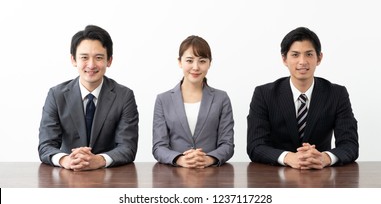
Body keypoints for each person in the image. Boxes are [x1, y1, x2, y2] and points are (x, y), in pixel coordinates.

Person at [247, 27, 358, 170]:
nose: (302, 61)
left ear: (319, 58)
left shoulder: (336, 94)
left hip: (321, 174)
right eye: (295, 55)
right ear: (284, 59)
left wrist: (325, 158)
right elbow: (255, 146)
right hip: (275, 175)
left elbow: (350, 145)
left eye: (309, 54)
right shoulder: (264, 94)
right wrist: (288, 157)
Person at [38, 25, 139, 171]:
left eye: (99, 58)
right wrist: (65, 160)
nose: (91, 65)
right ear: (73, 60)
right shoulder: (56, 95)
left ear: (109, 60)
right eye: (84, 57)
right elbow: (46, 145)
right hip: (68, 175)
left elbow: (127, 147)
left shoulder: (124, 96)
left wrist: (99, 160)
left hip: (109, 177)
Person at [153, 35, 234, 168]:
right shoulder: (163, 100)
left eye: (202, 61)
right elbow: (158, 147)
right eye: (189, 60)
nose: (195, 67)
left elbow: (227, 144)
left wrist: (208, 159)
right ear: (180, 62)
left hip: (212, 175)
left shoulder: (221, 98)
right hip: (174, 176)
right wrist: (180, 159)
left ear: (209, 63)